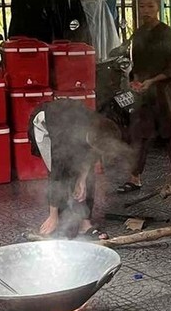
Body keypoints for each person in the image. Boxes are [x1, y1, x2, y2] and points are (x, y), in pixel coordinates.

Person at [29, 98, 131, 239]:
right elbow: (57, 174)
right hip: (44, 124)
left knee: (88, 176)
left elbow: (91, 154)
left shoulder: (100, 127)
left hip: (74, 128)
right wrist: (53, 215)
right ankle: (56, 219)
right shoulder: (65, 136)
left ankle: (85, 223)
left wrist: (82, 179)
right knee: (63, 170)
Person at [118, 0, 171, 193]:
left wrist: (152, 81)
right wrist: (135, 81)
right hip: (144, 94)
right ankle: (134, 178)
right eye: (142, 6)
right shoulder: (139, 34)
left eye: (150, 6)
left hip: (165, 92)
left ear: (158, 8)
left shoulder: (166, 33)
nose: (146, 10)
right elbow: (136, 64)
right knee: (139, 134)